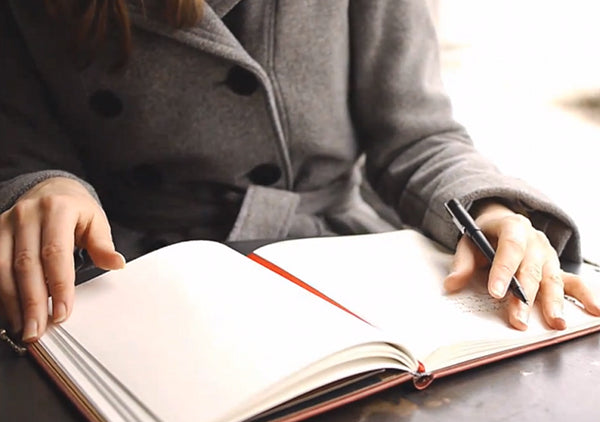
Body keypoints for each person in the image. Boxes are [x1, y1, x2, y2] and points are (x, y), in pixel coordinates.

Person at [1, 0, 598, 343]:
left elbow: (418, 136)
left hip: (339, 261)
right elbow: (23, 145)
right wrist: (46, 186)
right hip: (132, 274)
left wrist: (489, 211)